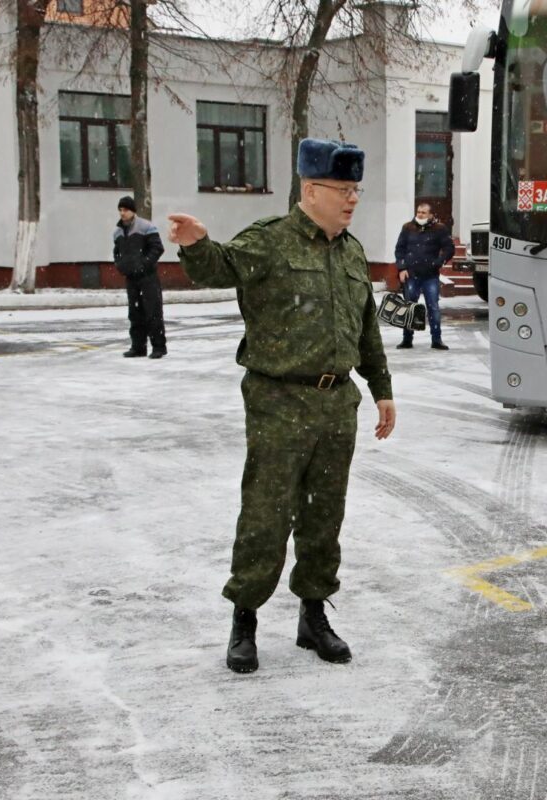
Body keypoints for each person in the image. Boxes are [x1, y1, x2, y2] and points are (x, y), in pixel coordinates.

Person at [167, 138, 396, 675]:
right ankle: (244, 618)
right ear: (311, 190)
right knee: (267, 512)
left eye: (355, 190)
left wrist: (381, 387)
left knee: (324, 515)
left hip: (338, 402)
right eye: (342, 190)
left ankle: (313, 617)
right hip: (278, 399)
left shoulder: (353, 251)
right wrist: (197, 244)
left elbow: (367, 328)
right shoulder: (271, 241)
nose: (352, 200)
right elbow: (220, 267)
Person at [394, 202, 455, 350]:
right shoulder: (408, 227)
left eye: (423, 212)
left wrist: (439, 262)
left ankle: (436, 339)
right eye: (418, 212)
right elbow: (399, 249)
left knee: (433, 307)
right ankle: (407, 339)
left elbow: (449, 248)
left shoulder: (439, 229)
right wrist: (402, 267)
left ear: (431, 215)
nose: (420, 214)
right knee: (410, 307)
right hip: (411, 273)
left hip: (430, 275)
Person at [113, 196, 167, 358]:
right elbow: (117, 252)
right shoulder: (117, 232)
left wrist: (144, 264)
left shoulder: (146, 227)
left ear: (133, 211)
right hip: (131, 278)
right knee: (135, 314)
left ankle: (159, 347)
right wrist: (120, 265)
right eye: (120, 210)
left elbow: (157, 248)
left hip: (148, 277)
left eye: (126, 210)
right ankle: (138, 347)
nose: (122, 213)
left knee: (153, 312)